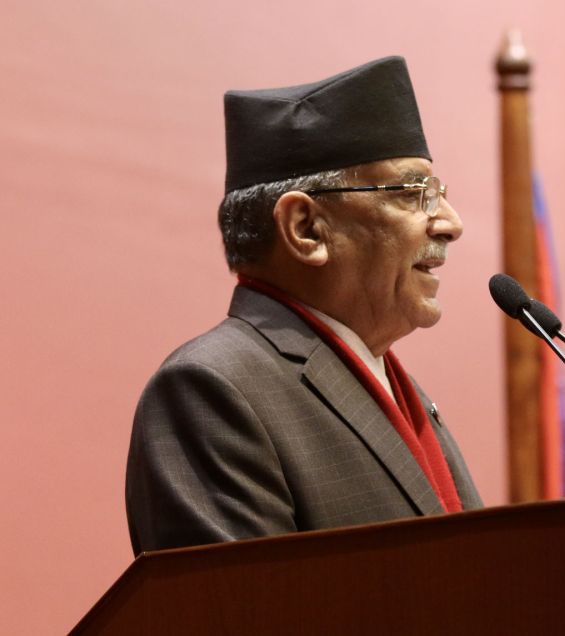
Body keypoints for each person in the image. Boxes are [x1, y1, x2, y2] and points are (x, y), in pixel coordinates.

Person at [125, 56, 482, 556]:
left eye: (438, 193)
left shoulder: (395, 386)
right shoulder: (211, 389)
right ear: (306, 229)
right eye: (412, 193)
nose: (451, 223)